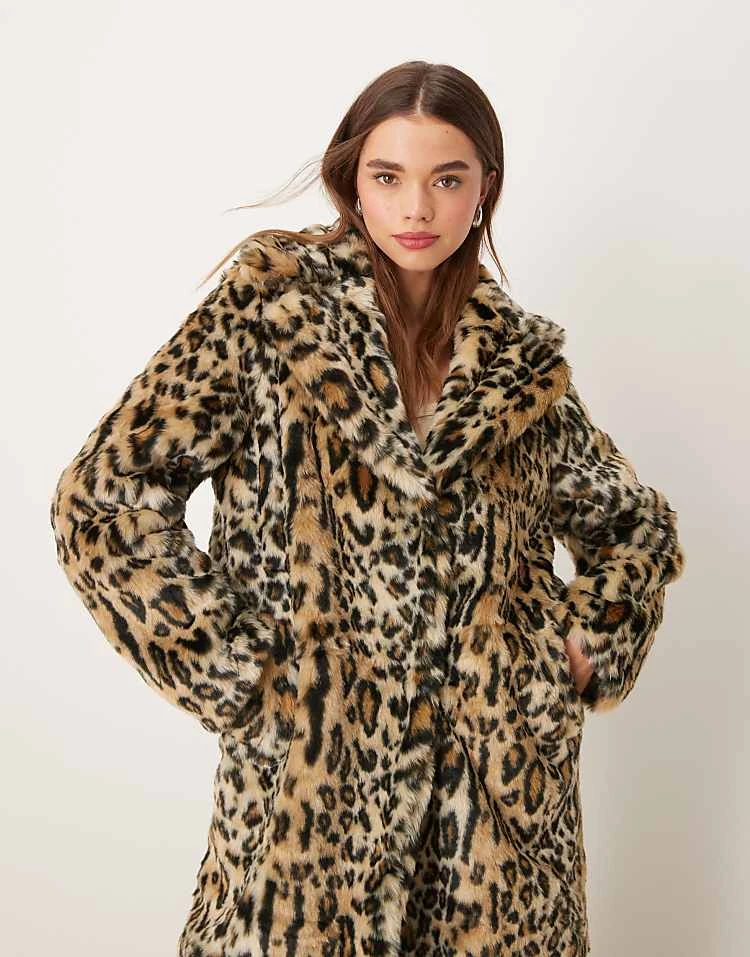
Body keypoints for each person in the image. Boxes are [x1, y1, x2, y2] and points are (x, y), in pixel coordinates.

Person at [49, 60, 686, 957]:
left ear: (485, 188)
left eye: (446, 179)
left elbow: (633, 528)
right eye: (389, 177)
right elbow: (103, 499)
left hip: (497, 830)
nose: (416, 208)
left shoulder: (520, 364)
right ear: (353, 180)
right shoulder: (271, 315)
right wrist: (242, 673)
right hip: (312, 810)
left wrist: (579, 648)